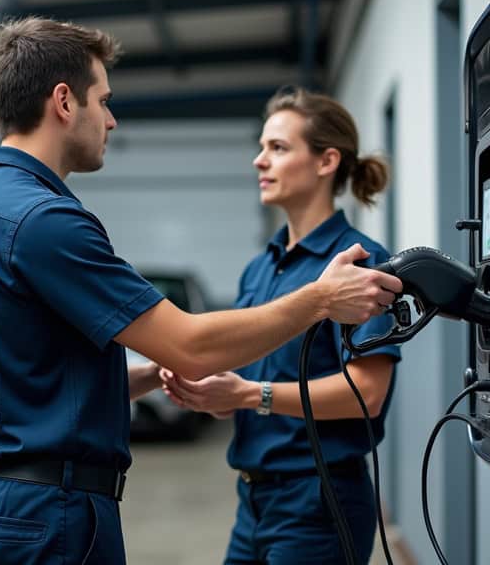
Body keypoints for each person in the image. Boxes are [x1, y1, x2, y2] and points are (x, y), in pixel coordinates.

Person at [0, 18, 402, 565]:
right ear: (63, 102)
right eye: (102, 101)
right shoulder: (43, 219)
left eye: (277, 146)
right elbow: (193, 344)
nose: (111, 118)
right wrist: (315, 302)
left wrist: (157, 375)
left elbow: (31, 376)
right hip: (43, 516)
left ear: (327, 162)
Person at [161, 87, 400, 564]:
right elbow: (254, 372)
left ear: (326, 161)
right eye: (261, 146)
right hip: (253, 500)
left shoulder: (358, 263)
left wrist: (251, 395)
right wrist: (218, 396)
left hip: (319, 502)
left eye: (278, 148)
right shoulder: (262, 267)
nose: (259, 161)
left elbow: (367, 393)